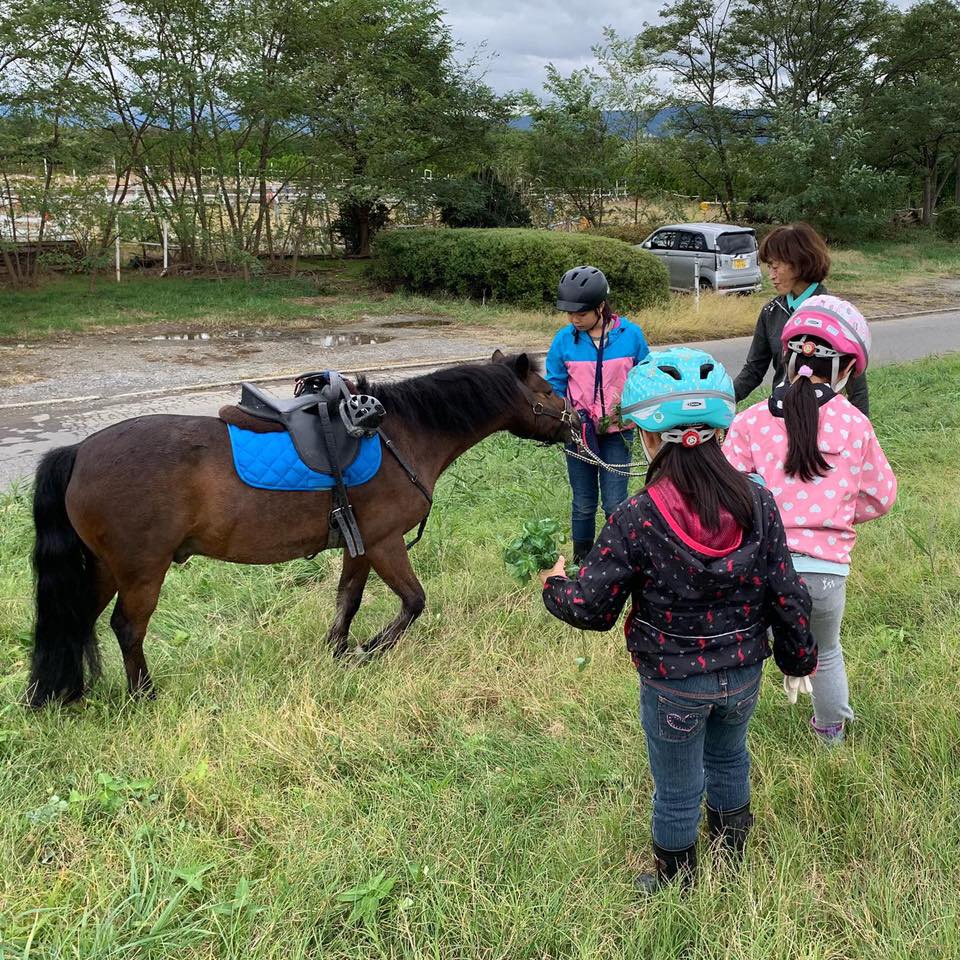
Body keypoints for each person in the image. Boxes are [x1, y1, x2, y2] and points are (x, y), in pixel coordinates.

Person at [538, 347, 816, 892]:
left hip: (672, 684)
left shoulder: (636, 517)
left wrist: (554, 584)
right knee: (730, 757)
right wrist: (798, 658)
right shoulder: (760, 502)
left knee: (676, 784)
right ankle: (733, 855)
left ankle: (677, 879)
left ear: (646, 437)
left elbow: (591, 608)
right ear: (719, 430)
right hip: (742, 673)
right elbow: (788, 591)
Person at [724, 295, 896, 744]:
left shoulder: (750, 421)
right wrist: (839, 511)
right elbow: (882, 496)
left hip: (761, 568)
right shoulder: (855, 424)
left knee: (744, 652)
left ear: (788, 355)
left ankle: (729, 733)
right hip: (825, 573)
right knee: (827, 651)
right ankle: (830, 732)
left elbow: (730, 493)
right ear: (847, 370)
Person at [546, 265, 650, 563]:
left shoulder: (630, 335)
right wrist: (566, 419)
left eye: (580, 313)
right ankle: (582, 560)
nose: (573, 319)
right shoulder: (564, 340)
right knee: (583, 502)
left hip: (619, 433)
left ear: (600, 307)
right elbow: (554, 385)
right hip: (578, 434)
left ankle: (615, 558)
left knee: (615, 502)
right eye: (569, 314)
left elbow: (645, 377)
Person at [733, 223, 869, 415]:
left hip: (826, 423)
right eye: (768, 267)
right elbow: (753, 370)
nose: (770, 275)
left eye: (776, 266)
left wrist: (861, 434)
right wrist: (719, 401)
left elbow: (857, 386)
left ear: (799, 263)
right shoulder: (771, 312)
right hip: (781, 418)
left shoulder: (836, 315)